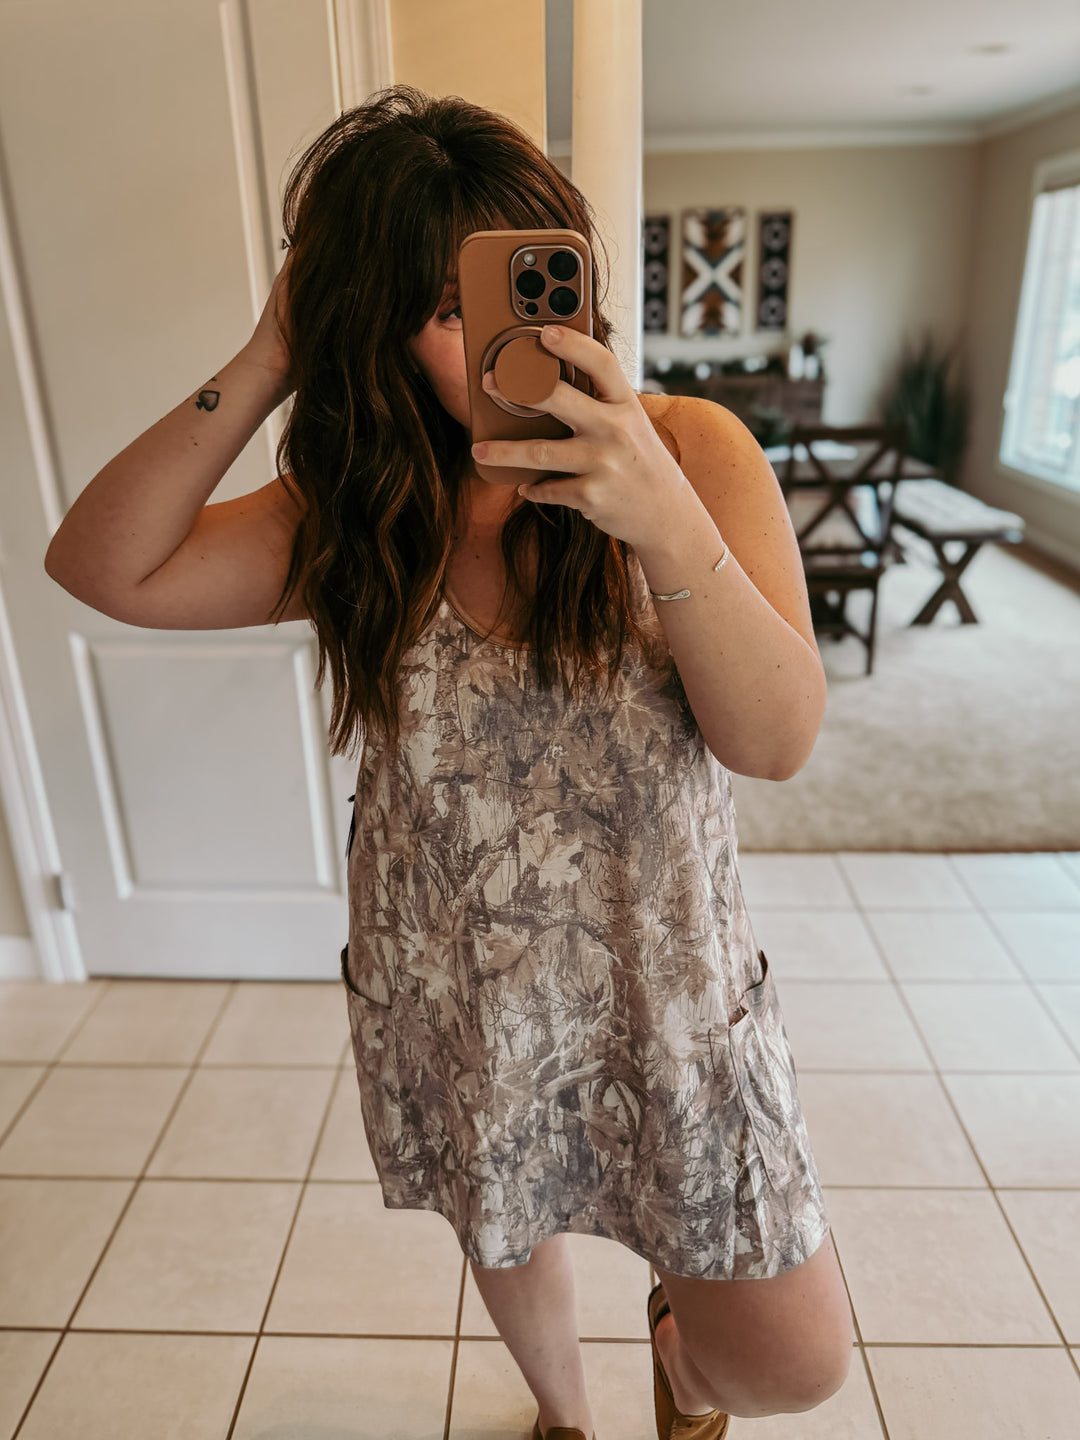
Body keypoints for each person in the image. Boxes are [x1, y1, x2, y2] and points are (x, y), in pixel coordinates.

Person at [44, 83, 853, 1440]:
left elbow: (775, 743)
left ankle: (680, 1357)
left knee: (793, 1365)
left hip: (665, 986)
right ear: (379, 329)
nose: (498, 334)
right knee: (509, 1234)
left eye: (525, 278)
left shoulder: (690, 452)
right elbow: (101, 566)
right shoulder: (361, 514)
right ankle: (565, 1417)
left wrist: (661, 520)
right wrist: (270, 347)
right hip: (461, 989)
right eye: (443, 305)